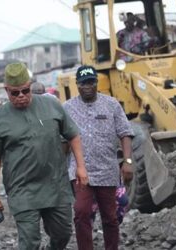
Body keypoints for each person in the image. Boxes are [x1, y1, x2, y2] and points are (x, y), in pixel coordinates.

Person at [0, 62, 89, 250]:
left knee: (63, 233)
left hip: (55, 185)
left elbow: (72, 135)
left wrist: (81, 167)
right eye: (14, 93)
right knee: (29, 242)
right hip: (22, 190)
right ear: (6, 90)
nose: (21, 97)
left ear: (30, 85)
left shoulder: (51, 105)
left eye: (25, 91)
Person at [63, 65, 134, 250]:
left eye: (91, 82)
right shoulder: (68, 108)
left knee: (110, 217)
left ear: (97, 83)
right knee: (81, 212)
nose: (87, 86)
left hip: (107, 170)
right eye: (83, 83)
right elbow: (62, 140)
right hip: (80, 171)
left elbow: (125, 133)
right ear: (77, 84)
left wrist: (127, 161)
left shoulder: (111, 104)